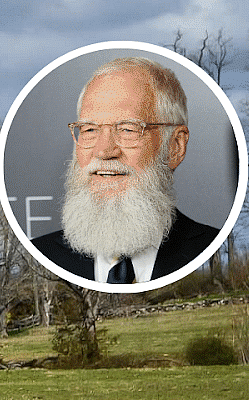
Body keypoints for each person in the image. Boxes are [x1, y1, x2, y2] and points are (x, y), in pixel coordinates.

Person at [30, 56, 219, 286]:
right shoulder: (42, 256)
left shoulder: (209, 248)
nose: (104, 150)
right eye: (89, 129)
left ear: (175, 147)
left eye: (128, 129)